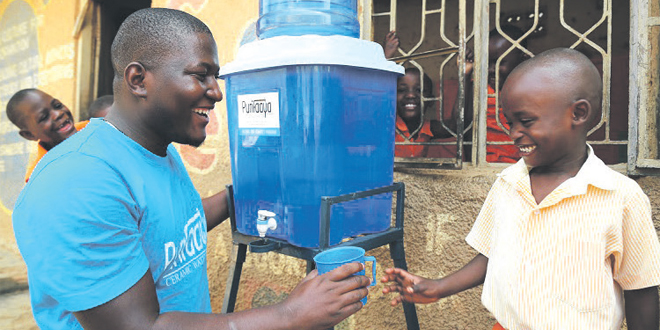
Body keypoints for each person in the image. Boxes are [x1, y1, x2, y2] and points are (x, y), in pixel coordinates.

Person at [12, 8, 370, 330]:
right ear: (138, 80)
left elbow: (173, 229)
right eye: (201, 75)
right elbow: (139, 327)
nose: (216, 93)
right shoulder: (75, 183)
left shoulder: (158, 151)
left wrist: (247, 190)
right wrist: (289, 315)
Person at [381, 48, 660, 329]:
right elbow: (492, 253)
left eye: (525, 121)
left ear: (578, 113)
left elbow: (641, 290)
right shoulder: (508, 183)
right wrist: (438, 287)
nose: (513, 133)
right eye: (510, 122)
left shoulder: (620, 197)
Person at [461, 25, 528, 163]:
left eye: (498, 62)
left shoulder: (535, 91)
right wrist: (465, 77)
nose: (491, 69)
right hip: (484, 166)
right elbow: (461, 125)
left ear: (523, 58)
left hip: (521, 168)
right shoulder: (480, 90)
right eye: (487, 62)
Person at [5, 88, 88, 182]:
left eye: (57, 105)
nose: (58, 114)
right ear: (29, 135)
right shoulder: (40, 177)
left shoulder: (90, 128)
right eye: (44, 117)